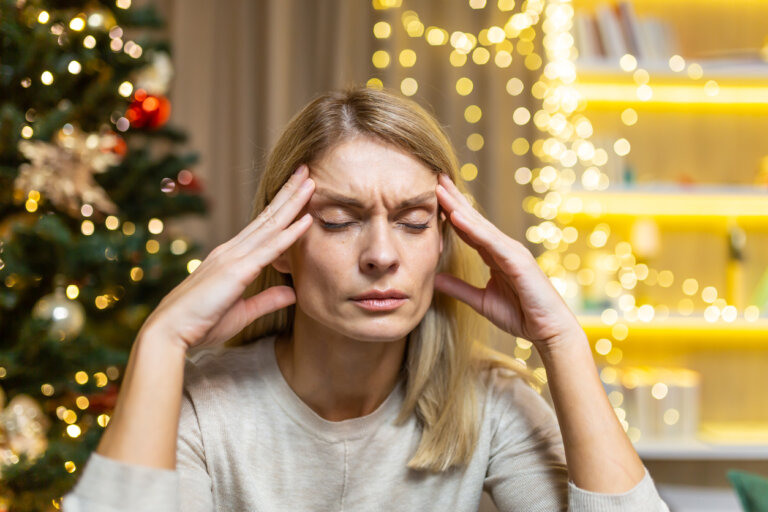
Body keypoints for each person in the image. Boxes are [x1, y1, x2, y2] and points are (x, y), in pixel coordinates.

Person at [62, 87, 669, 511]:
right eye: (339, 220)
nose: (381, 254)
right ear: (278, 245)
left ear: (444, 239)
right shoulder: (202, 405)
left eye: (412, 220)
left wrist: (561, 340)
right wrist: (162, 340)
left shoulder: (488, 402)